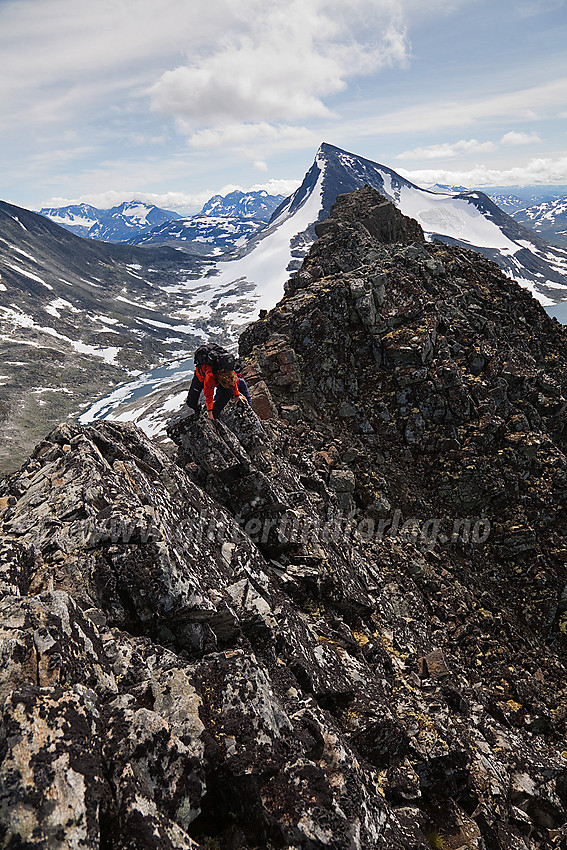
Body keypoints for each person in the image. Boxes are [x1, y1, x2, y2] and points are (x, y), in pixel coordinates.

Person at [186, 349, 252, 420]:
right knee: (191, 402)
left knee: (228, 392)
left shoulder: (228, 367)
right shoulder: (210, 375)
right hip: (201, 377)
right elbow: (209, 394)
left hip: (218, 376)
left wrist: (237, 395)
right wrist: (209, 412)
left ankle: (215, 415)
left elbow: (233, 380)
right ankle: (198, 409)